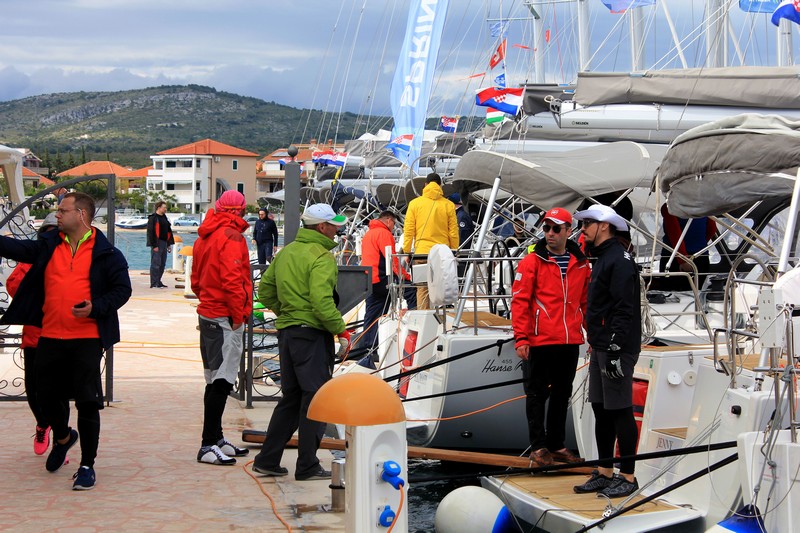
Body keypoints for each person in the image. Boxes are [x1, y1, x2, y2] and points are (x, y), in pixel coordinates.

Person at [0, 192, 132, 490]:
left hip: (87, 338)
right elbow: (16, 248)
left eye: (62, 210)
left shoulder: (107, 253)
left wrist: (95, 307)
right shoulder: (49, 245)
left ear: (81, 214)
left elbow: (122, 290)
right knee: (44, 397)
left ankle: (87, 466)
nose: (57, 214)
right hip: (49, 335)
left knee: (87, 402)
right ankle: (63, 437)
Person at [252, 203, 349, 481]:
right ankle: (307, 465)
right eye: (334, 225)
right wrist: (341, 331)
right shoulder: (322, 256)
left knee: (291, 399)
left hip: (288, 333)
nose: (337, 230)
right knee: (316, 399)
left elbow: (265, 290)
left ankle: (267, 460)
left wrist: (287, 312)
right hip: (312, 336)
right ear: (322, 227)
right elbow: (321, 301)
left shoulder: (286, 252)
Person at [572, 204, 642, 499]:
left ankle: (628, 476)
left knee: (620, 410)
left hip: (617, 347)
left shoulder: (619, 260)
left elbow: (625, 309)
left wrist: (614, 347)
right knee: (601, 409)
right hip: (602, 344)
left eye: (587, 223)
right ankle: (604, 471)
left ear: (604, 225)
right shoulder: (604, 257)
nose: (583, 228)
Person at [511, 207, 590, 468]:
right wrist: (521, 338)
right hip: (540, 339)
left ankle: (556, 445)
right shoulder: (531, 261)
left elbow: (585, 302)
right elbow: (520, 301)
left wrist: (592, 333)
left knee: (561, 394)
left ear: (568, 231)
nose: (550, 233)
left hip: (569, 340)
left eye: (556, 228)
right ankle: (538, 446)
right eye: (546, 228)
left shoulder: (581, 263)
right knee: (536, 395)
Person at [191, 190, 252, 466]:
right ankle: (207, 443)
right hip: (225, 317)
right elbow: (233, 279)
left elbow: (195, 279)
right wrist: (238, 315)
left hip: (208, 314)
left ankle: (215, 438)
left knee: (213, 378)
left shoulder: (204, 237)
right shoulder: (232, 237)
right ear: (239, 211)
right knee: (222, 381)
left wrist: (208, 299)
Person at [5, 212, 62, 456]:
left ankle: (61, 438)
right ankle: (42, 423)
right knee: (33, 386)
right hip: (35, 334)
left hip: (62, 334)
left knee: (58, 389)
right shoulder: (32, 258)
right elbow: (13, 285)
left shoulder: (71, 260)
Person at [356, 211, 415, 358]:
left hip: (369, 279)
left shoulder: (369, 233)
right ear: (388, 220)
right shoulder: (384, 233)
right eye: (394, 223)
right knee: (411, 290)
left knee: (372, 315)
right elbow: (391, 260)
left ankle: (368, 348)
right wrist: (406, 277)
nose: (393, 227)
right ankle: (415, 324)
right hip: (382, 278)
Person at [402, 173, 459, 309]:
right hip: (442, 254)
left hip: (422, 253)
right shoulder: (449, 205)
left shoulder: (414, 204)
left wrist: (406, 251)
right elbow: (453, 232)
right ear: (440, 185)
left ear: (425, 185)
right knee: (443, 288)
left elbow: (409, 230)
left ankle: (423, 316)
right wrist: (453, 251)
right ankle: (443, 318)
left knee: (422, 289)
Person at [659, 203, 717, 290]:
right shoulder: (705, 205)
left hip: (675, 259)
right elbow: (712, 229)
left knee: (672, 293)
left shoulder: (670, 206)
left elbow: (674, 233)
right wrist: (699, 244)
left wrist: (683, 260)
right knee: (697, 292)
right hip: (701, 257)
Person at [146, 200, 174, 288]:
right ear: (159, 208)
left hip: (164, 242)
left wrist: (169, 244)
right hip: (157, 243)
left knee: (162, 263)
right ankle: (154, 283)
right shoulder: (153, 218)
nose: (166, 209)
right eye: (164, 207)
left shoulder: (164, 218)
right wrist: (154, 245)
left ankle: (158, 281)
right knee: (156, 263)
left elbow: (168, 231)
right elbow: (150, 232)